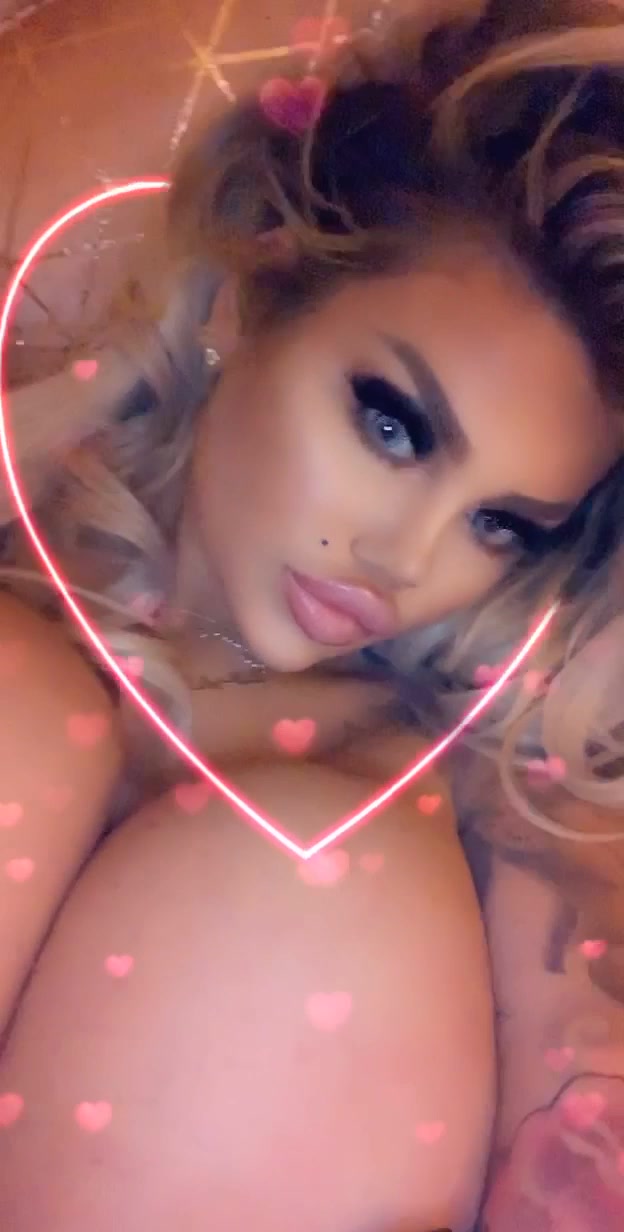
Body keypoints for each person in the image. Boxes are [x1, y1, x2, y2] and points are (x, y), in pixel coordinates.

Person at [1, 0, 624, 1228]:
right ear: (249, 297)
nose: (404, 558)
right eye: (393, 425)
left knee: (314, 884)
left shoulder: (469, 802)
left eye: (500, 522)